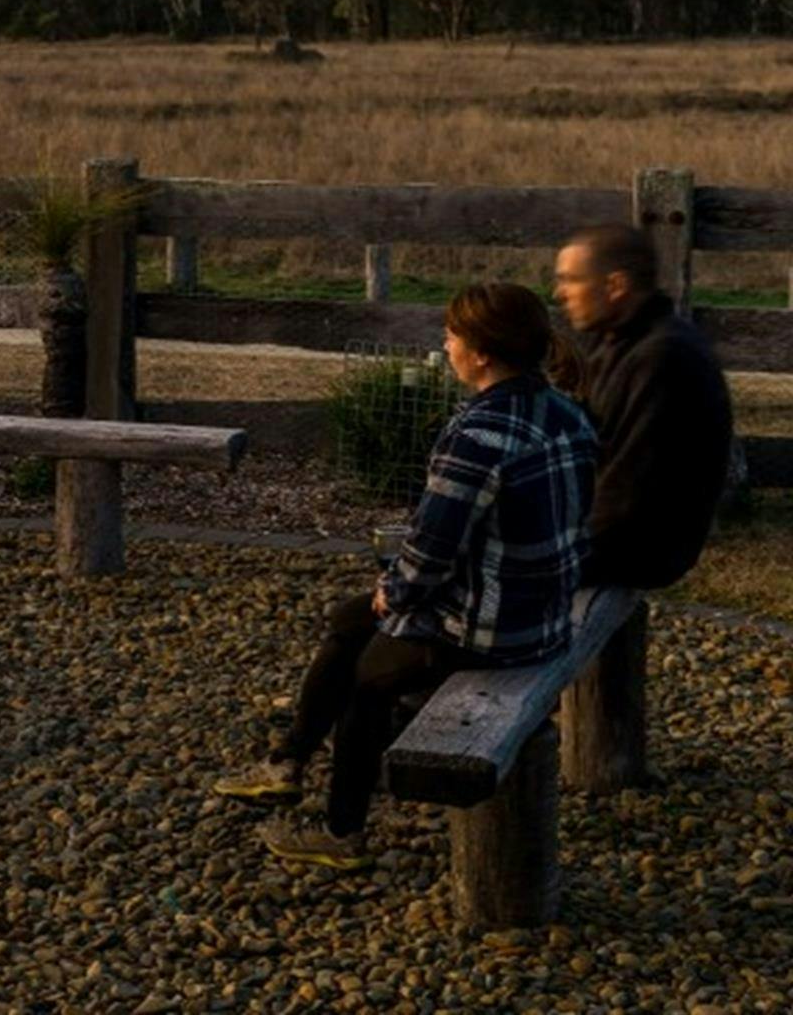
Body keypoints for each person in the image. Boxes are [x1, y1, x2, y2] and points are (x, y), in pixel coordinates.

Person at [213, 284, 596, 871]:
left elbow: (433, 550)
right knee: (348, 621)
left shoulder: (478, 436)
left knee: (367, 678)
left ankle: (342, 833)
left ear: (482, 354)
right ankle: (286, 762)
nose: (445, 344)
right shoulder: (567, 413)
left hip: (493, 631)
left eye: (452, 335)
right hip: (542, 612)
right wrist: (390, 596)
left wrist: (394, 592)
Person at [552, 223, 733, 588]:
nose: (559, 293)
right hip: (604, 541)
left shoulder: (662, 358)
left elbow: (628, 491)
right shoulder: (616, 341)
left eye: (571, 280)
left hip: (634, 552)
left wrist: (553, 561)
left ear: (616, 285)